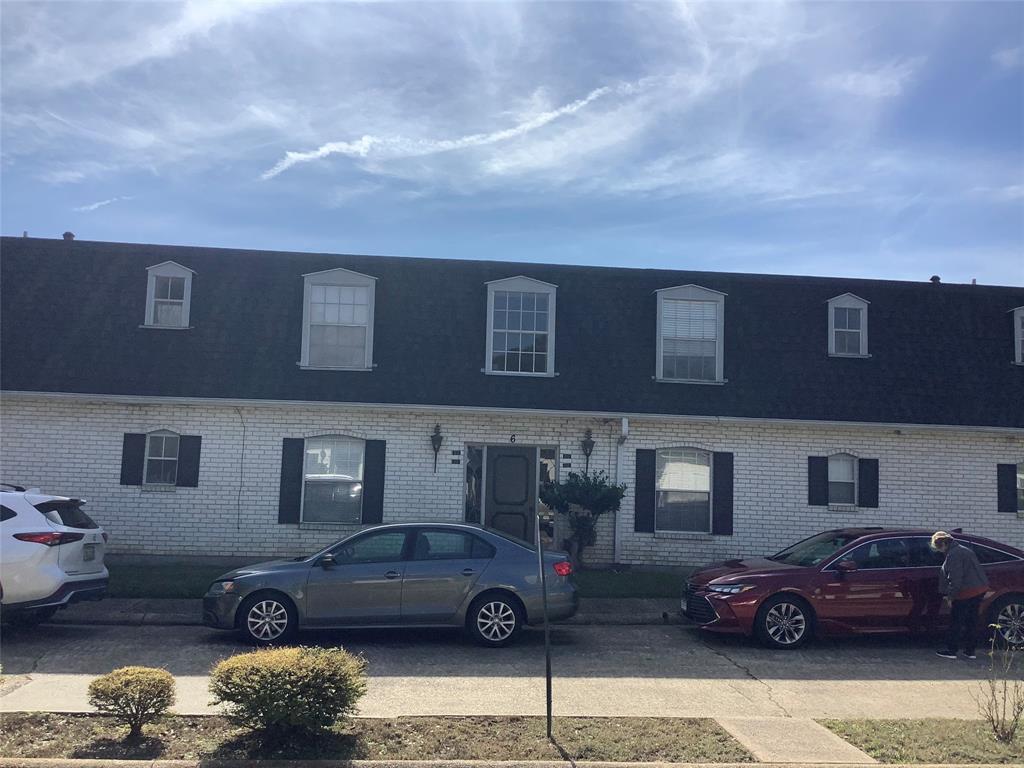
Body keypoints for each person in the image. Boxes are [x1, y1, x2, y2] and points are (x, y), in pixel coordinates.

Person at [931, 531, 989, 660]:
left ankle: (952, 650)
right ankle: (970, 651)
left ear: (944, 543)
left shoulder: (953, 555)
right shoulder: (964, 550)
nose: (940, 550)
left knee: (956, 621)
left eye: (939, 547)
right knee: (972, 620)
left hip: (965, 591)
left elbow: (956, 578)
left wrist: (951, 597)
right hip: (979, 588)